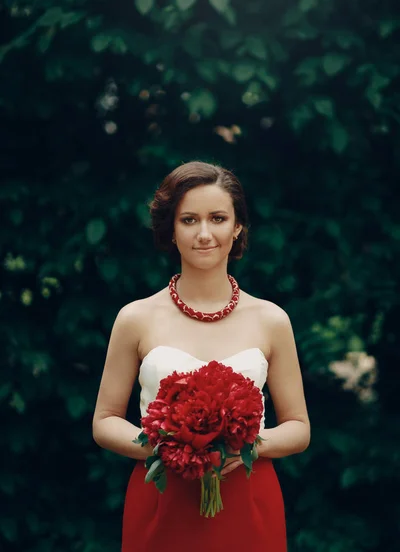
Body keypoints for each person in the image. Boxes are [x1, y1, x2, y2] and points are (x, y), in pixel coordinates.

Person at [92, 161, 310, 551]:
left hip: (248, 500)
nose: (204, 233)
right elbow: (105, 420)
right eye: (189, 220)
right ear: (171, 231)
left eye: (218, 218)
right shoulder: (135, 318)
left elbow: (298, 426)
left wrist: (248, 445)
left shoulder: (272, 319)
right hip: (162, 499)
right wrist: (168, 447)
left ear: (237, 226)